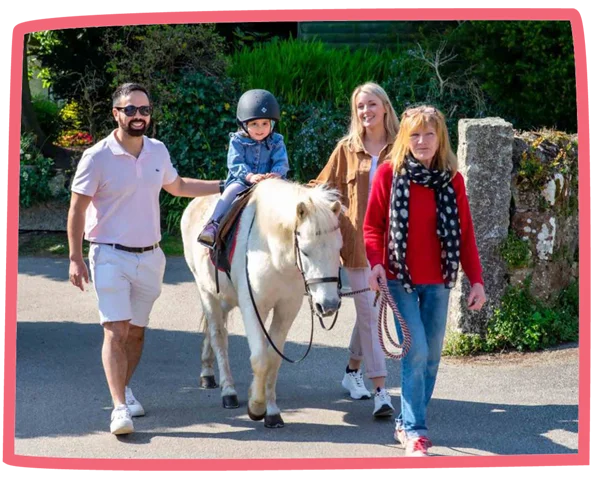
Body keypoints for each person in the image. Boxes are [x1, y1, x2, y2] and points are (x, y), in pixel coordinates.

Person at [67, 82, 221, 436]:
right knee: (115, 329)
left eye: (144, 110)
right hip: (108, 254)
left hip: (151, 256)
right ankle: (119, 408)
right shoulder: (97, 156)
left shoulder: (157, 150)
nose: (138, 116)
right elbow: (77, 210)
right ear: (116, 113)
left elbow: (178, 186)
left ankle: (124, 388)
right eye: (131, 109)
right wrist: (75, 257)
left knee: (136, 333)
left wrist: (225, 185)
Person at [364, 105, 487, 456]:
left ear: (440, 138)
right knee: (415, 350)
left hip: (439, 280)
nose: (422, 141)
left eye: (429, 134)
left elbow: (465, 234)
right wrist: (375, 264)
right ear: (405, 138)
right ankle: (415, 430)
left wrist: (476, 281)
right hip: (398, 278)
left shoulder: (452, 180)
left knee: (432, 356)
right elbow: (372, 226)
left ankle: (407, 419)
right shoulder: (389, 174)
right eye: (414, 134)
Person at [311, 83, 399, 418]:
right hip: (359, 247)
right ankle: (381, 391)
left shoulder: (400, 148)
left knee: (373, 313)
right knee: (369, 313)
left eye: (371, 104)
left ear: (385, 107)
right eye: (360, 107)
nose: (366, 112)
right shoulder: (346, 149)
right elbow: (320, 187)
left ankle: (351, 372)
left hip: (396, 248)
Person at [197, 89, 289, 248]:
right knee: (230, 191)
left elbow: (282, 162)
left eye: (265, 123)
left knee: (289, 192)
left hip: (270, 182)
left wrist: (276, 173)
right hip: (243, 181)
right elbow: (235, 162)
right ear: (244, 125)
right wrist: (249, 176)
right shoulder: (237, 140)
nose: (260, 128)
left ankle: (292, 228)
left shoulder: (277, 141)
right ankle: (213, 224)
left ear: (272, 124)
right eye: (254, 124)